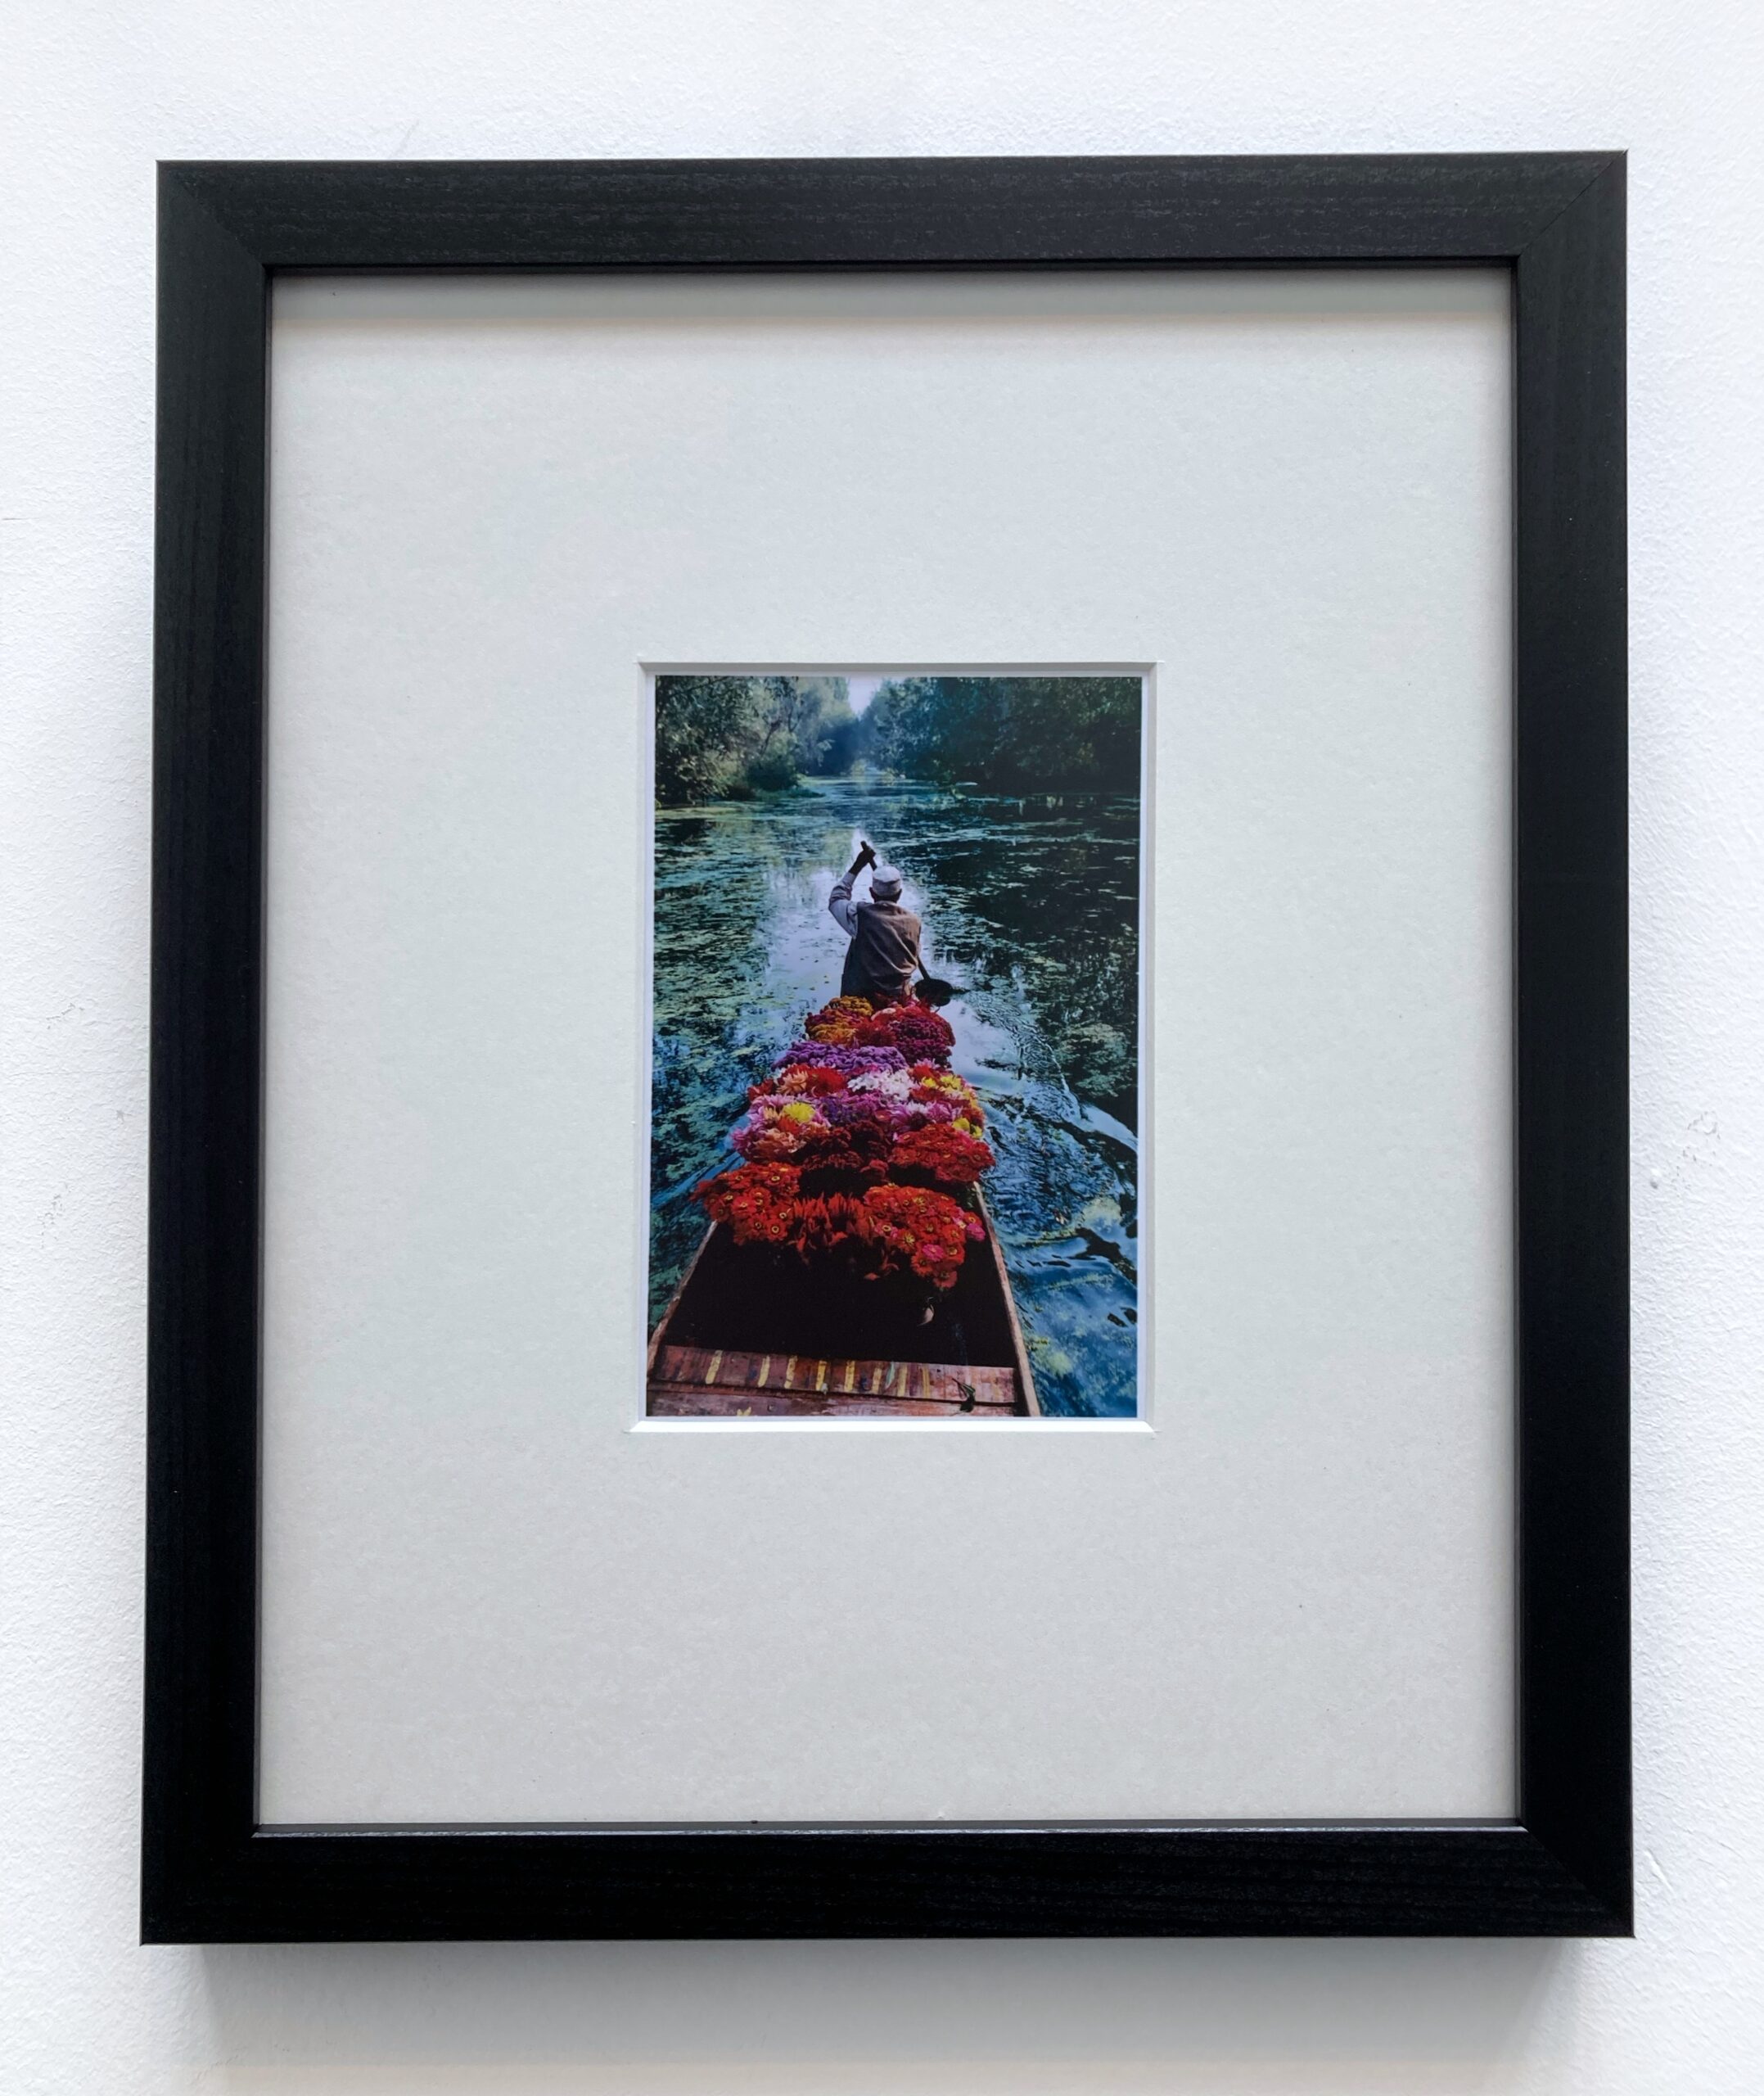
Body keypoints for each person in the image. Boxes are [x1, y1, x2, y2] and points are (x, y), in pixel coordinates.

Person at [828, 842, 923, 1006]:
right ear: (900, 893)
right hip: (899, 997)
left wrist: (858, 865)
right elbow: (915, 953)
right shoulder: (914, 921)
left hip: (860, 998)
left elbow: (836, 898)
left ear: (872, 892)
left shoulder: (859, 914)